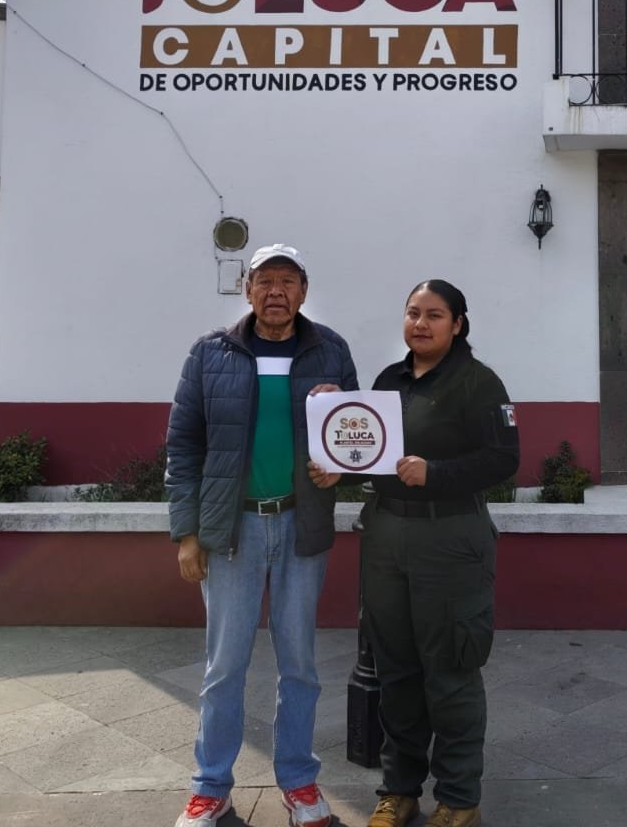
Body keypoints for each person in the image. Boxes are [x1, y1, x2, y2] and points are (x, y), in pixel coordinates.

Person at [165, 244, 358, 827]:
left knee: (299, 664)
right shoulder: (210, 352)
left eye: (288, 281)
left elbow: (353, 434)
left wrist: (340, 468)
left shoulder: (331, 351)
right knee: (224, 666)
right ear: (246, 288)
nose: (277, 291)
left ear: (304, 290)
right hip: (232, 530)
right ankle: (210, 787)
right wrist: (187, 533)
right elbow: (183, 446)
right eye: (265, 280)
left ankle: (299, 782)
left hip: (302, 524)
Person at [316, 279, 518, 827]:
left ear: (458, 324)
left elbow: (505, 460)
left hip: (450, 539)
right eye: (412, 313)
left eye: (434, 315)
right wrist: (337, 462)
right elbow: (372, 453)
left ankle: (459, 798)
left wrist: (438, 473)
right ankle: (399, 791)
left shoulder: (479, 382)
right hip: (387, 537)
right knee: (396, 670)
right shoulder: (390, 381)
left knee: (450, 669)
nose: (420, 324)